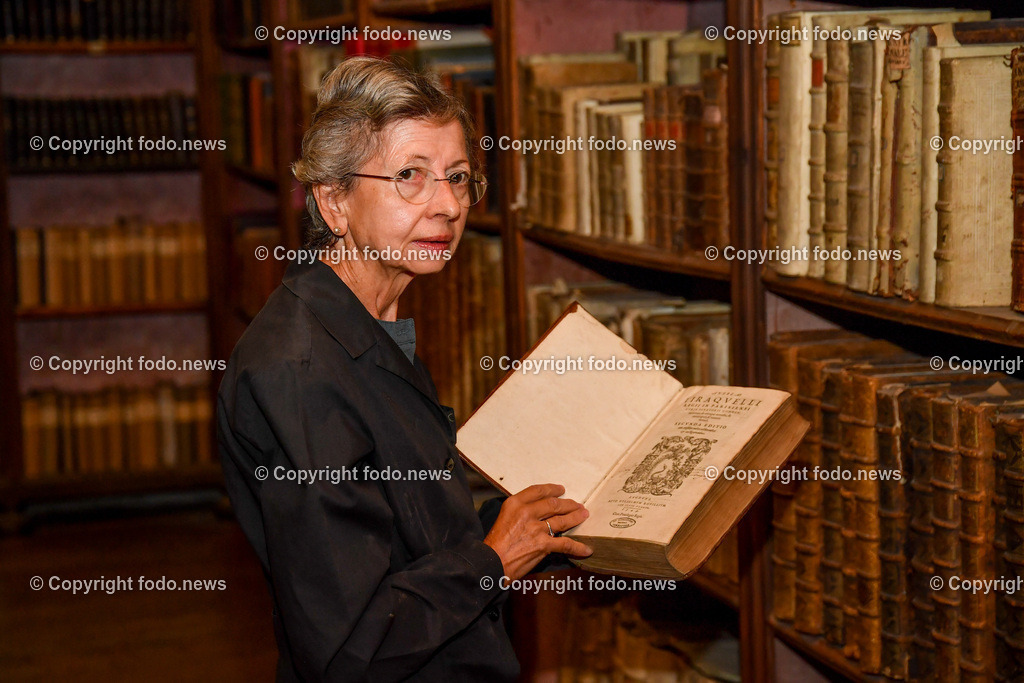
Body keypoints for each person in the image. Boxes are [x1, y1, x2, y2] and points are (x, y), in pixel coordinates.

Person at [217, 56, 593, 682]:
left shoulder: (372, 325)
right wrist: (495, 558)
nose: (446, 204)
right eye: (410, 176)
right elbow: (348, 647)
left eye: (458, 176)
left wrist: (525, 526)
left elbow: (405, 540)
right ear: (333, 201)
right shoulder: (300, 373)